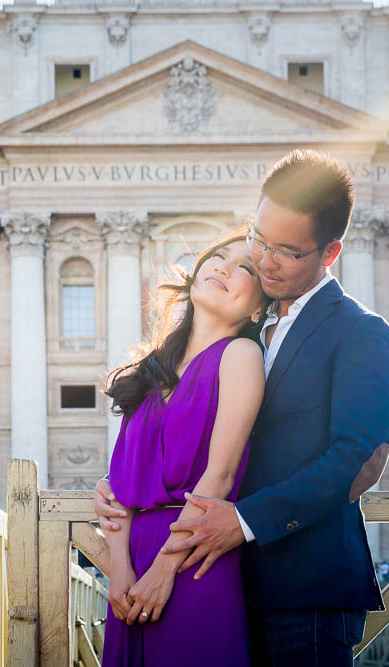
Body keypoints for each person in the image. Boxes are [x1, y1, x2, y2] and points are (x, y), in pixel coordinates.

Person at [96, 149, 389, 666]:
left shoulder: (361, 332)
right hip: (223, 579)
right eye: (258, 237)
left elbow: (358, 459)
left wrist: (244, 521)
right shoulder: (242, 332)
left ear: (330, 253)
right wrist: (120, 492)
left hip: (306, 590)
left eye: (285, 250)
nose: (263, 259)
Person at [100, 227, 270, 666]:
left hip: (193, 562)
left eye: (245, 268)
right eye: (218, 256)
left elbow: (220, 474)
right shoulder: (151, 374)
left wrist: (162, 570)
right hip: (132, 568)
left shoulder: (241, 355)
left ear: (257, 308)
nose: (225, 268)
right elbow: (119, 485)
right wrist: (118, 570)